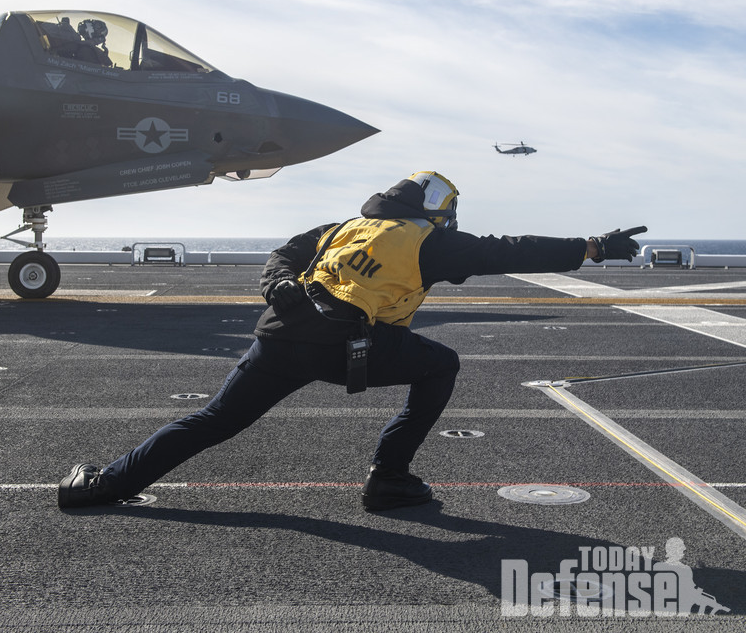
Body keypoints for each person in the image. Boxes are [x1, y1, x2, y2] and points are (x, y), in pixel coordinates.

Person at [58, 171, 646, 512]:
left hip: (283, 335)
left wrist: (278, 285)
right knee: (439, 367)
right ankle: (388, 477)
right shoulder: (429, 241)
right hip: (350, 347)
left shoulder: (345, 226)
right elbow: (510, 249)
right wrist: (591, 246)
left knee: (212, 421)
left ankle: (104, 486)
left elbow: (284, 252)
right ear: (438, 211)